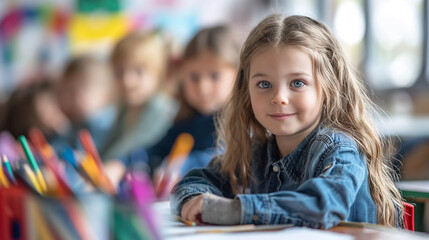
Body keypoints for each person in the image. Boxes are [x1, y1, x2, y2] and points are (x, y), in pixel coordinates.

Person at [171, 14, 403, 229]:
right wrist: (196, 201)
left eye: (297, 83)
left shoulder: (338, 149)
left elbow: (324, 204)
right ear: (246, 91)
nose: (279, 98)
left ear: (328, 89)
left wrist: (235, 210)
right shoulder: (257, 152)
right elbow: (194, 181)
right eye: (264, 84)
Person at [118, 25, 239, 190]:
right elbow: (156, 150)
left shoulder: (240, 122)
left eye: (215, 76)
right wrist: (122, 164)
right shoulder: (187, 121)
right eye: (194, 77)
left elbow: (223, 158)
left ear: (239, 75)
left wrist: (179, 167)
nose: (203, 87)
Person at [100, 30, 178, 160]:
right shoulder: (125, 108)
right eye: (120, 72)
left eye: (138, 71)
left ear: (158, 74)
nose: (127, 81)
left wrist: (103, 165)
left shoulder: (160, 107)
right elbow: (110, 143)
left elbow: (132, 147)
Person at [56, 55, 117, 150]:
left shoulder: (102, 125)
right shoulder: (78, 121)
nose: (69, 99)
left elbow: (83, 153)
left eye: (74, 92)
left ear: (104, 94)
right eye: (65, 91)